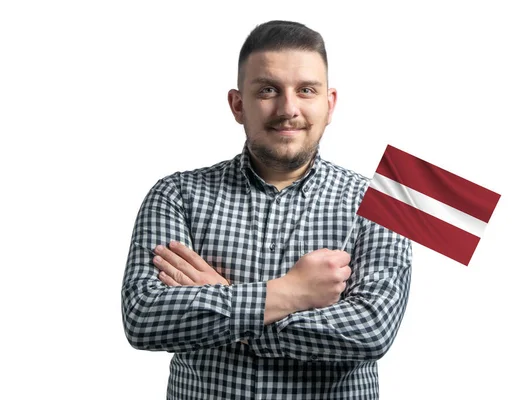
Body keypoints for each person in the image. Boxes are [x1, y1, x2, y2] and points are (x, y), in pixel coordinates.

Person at [121, 20, 412, 399]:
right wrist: (290, 292)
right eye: (268, 90)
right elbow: (145, 318)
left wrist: (227, 302)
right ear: (238, 104)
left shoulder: (384, 199)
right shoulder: (176, 194)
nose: (288, 109)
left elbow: (371, 332)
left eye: (306, 90)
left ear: (329, 104)